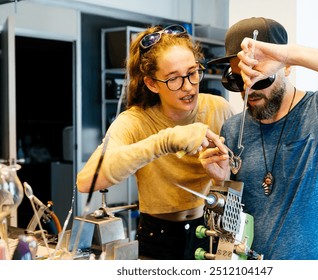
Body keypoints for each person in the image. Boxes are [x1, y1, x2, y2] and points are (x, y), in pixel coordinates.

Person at [206, 17, 318, 260]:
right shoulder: (232, 129)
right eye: (238, 80)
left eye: (261, 77)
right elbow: (231, 229)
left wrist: (290, 54)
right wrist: (221, 183)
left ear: (287, 68)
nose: (249, 89)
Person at [76, 24, 234, 259]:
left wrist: (223, 178)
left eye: (192, 73)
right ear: (151, 83)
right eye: (173, 79)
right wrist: (162, 142)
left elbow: (237, 182)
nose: (189, 86)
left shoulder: (217, 108)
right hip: (157, 237)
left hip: (210, 229)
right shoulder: (135, 121)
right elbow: (86, 181)